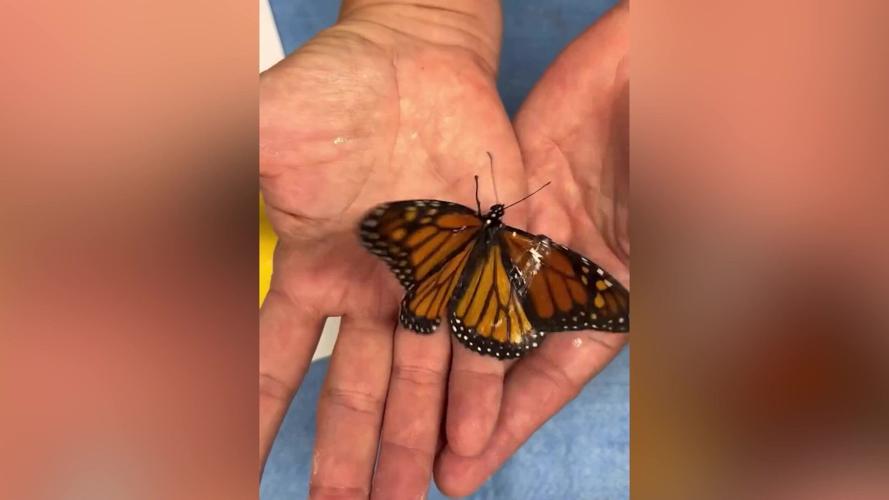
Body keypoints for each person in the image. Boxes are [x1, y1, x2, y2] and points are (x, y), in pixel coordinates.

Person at [259, 1, 629, 498]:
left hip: (448, 279)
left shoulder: (459, 224)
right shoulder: (519, 245)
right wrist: (423, 16)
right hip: (489, 300)